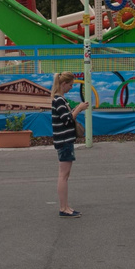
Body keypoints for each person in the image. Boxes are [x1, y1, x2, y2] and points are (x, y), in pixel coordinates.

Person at [50, 72, 86, 217]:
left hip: (64, 140)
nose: (71, 87)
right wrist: (78, 109)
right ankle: (63, 208)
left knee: (64, 175)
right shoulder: (58, 100)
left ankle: (65, 206)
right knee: (63, 176)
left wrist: (75, 109)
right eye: (70, 85)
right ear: (63, 84)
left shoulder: (60, 99)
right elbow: (66, 119)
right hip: (64, 141)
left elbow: (65, 117)